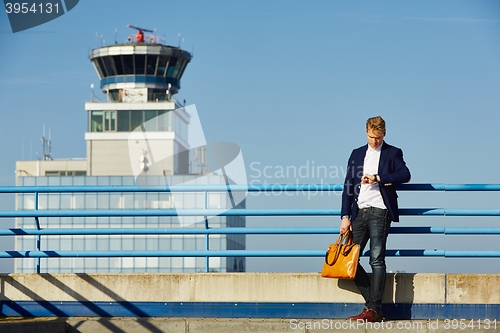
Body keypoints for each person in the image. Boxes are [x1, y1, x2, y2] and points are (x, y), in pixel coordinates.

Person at [340, 116, 410, 322]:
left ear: (384, 134)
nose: (374, 142)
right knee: (348, 259)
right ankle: (374, 305)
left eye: (378, 138)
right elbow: (347, 187)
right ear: (366, 132)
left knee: (377, 260)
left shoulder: (392, 152)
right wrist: (345, 216)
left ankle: (372, 309)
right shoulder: (356, 154)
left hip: (380, 211)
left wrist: (378, 178)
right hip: (359, 212)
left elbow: (405, 175)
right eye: (371, 137)